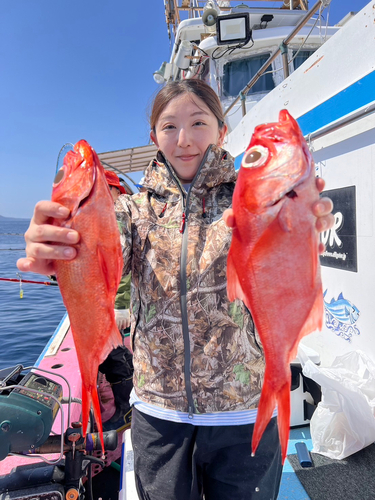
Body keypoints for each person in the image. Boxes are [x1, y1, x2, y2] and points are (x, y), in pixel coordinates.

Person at [17, 79, 334, 500]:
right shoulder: (130, 209)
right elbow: (101, 254)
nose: (184, 140)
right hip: (158, 414)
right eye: (169, 127)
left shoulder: (253, 195)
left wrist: (305, 225)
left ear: (222, 131)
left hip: (242, 410)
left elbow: (278, 259)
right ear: (154, 138)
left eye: (198, 123)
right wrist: (58, 252)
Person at [97, 169, 134, 432]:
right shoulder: (97, 219)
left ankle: (126, 409)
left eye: (105, 190)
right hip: (100, 302)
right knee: (105, 351)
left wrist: (121, 305)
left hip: (115, 304)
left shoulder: (117, 217)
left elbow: (122, 267)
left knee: (113, 353)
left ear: (116, 191)